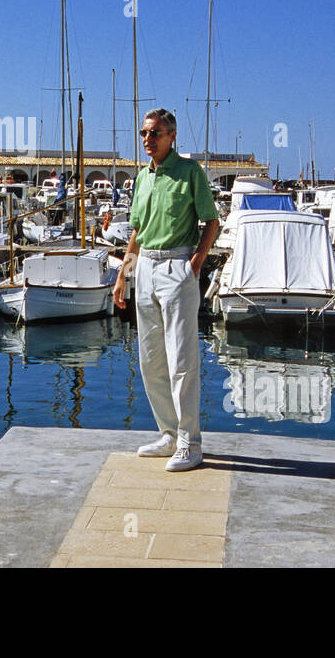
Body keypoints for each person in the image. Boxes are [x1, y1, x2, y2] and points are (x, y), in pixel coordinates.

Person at [112, 108, 219, 472]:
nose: (147, 139)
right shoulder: (142, 179)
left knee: (182, 360)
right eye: (144, 133)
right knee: (151, 358)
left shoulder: (190, 173)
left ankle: (192, 441)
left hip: (177, 266)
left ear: (172, 135)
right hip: (145, 268)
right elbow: (136, 234)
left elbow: (211, 222)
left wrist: (195, 264)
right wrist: (123, 275)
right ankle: (169, 433)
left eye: (154, 133)